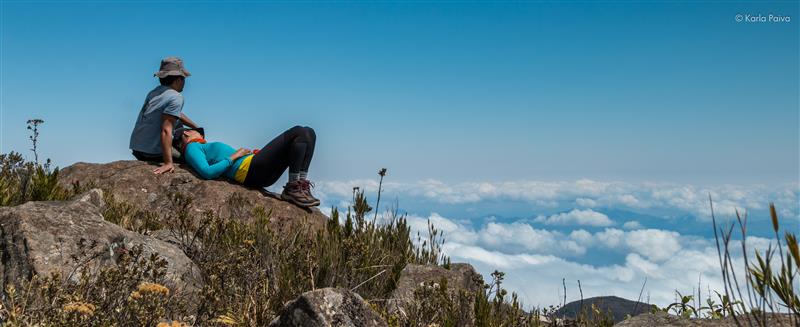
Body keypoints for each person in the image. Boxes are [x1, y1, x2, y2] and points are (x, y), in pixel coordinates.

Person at [175, 126, 321, 207]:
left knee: (309, 133)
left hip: (254, 167)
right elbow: (206, 172)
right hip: (250, 170)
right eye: (195, 130)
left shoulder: (198, 146)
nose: (198, 132)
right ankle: (293, 188)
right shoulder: (190, 147)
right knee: (299, 132)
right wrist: (234, 156)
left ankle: (299, 186)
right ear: (187, 133)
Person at [129, 56, 200, 174]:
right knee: (196, 158)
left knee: (182, 131)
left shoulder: (154, 92)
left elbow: (173, 114)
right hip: (151, 152)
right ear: (178, 80)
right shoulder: (176, 97)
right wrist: (168, 163)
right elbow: (166, 130)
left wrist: (195, 126)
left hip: (137, 147)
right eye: (183, 79)